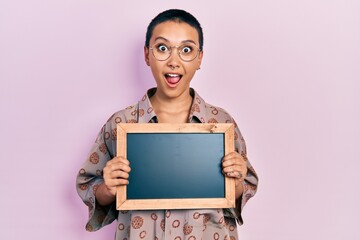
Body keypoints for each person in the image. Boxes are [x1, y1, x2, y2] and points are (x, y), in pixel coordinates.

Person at [76, 9, 258, 240]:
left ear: (199, 58)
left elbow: (243, 188)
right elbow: (89, 184)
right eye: (162, 48)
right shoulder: (121, 123)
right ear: (146, 55)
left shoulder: (221, 122)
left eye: (186, 50)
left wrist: (238, 180)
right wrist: (107, 189)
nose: (173, 61)